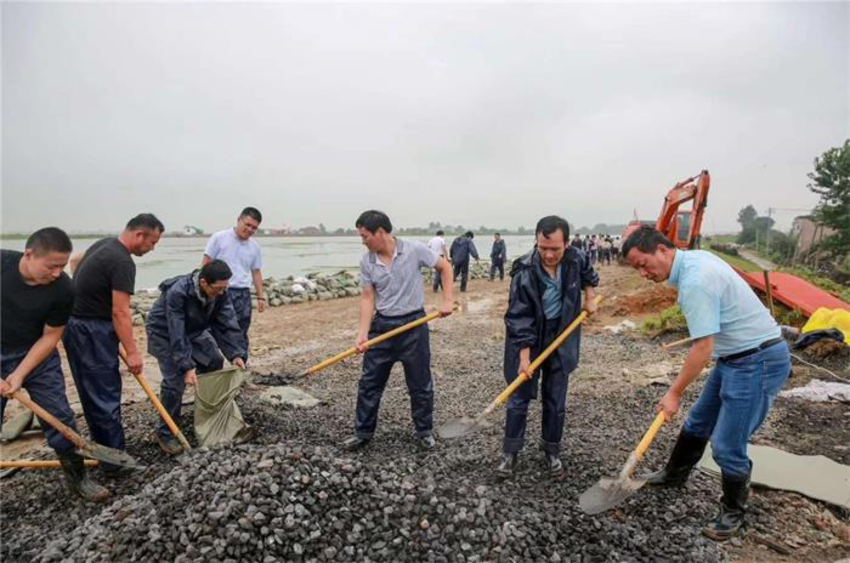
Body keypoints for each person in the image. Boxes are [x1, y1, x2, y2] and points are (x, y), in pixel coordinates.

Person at [622, 225, 791, 541]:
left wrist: (673, 393)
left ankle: (733, 510)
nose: (643, 274)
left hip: (758, 361)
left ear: (661, 249)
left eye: (643, 264)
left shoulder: (695, 280)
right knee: (698, 421)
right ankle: (674, 476)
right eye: (636, 269)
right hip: (734, 357)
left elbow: (702, 347)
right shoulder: (695, 260)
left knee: (727, 444)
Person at [1, 228, 109, 500]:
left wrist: (19, 373)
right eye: (51, 266)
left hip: (37, 356)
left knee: (59, 415)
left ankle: (79, 479)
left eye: (62, 266)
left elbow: (51, 337)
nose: (57, 273)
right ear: (29, 255)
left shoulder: (63, 289)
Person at [342, 210, 454, 451]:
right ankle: (363, 432)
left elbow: (445, 267)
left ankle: (424, 431)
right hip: (382, 327)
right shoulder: (367, 261)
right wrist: (362, 333)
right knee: (369, 383)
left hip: (414, 325)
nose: (363, 241)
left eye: (365, 236)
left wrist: (447, 300)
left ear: (380, 232)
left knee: (420, 383)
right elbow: (367, 298)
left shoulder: (414, 250)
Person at [498, 216, 598, 478]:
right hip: (530, 336)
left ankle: (551, 449)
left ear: (567, 242)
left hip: (563, 334)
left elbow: (589, 274)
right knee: (518, 395)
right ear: (536, 242)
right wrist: (524, 357)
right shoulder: (524, 270)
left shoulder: (576, 257)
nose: (549, 254)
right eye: (543, 248)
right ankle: (511, 452)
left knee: (555, 399)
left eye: (555, 248)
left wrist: (590, 298)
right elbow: (519, 318)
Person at [63, 214, 164, 474]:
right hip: (91, 330)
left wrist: (86, 293)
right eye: (152, 243)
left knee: (95, 392)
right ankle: (115, 462)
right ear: (140, 234)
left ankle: (107, 453)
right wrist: (133, 352)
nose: (151, 249)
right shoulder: (122, 262)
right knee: (104, 394)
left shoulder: (104, 244)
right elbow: (121, 313)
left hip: (77, 324)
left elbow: (75, 261)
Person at [145, 260, 247, 454]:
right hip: (164, 332)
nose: (221, 293)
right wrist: (187, 366)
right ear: (203, 282)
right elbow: (176, 332)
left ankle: (207, 414)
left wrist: (236, 354)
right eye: (217, 288)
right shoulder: (178, 292)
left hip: (194, 330)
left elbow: (227, 322)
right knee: (175, 382)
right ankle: (165, 432)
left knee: (214, 361)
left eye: (225, 288)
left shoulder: (220, 292)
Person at [203, 207, 265, 357]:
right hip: (219, 292)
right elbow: (206, 263)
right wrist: (204, 290)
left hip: (242, 294)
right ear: (239, 220)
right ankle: (209, 367)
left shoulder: (255, 247)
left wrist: (261, 296)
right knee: (212, 330)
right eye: (247, 225)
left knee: (240, 331)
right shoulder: (219, 238)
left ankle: (240, 366)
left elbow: (256, 272)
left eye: (254, 228)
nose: (249, 229)